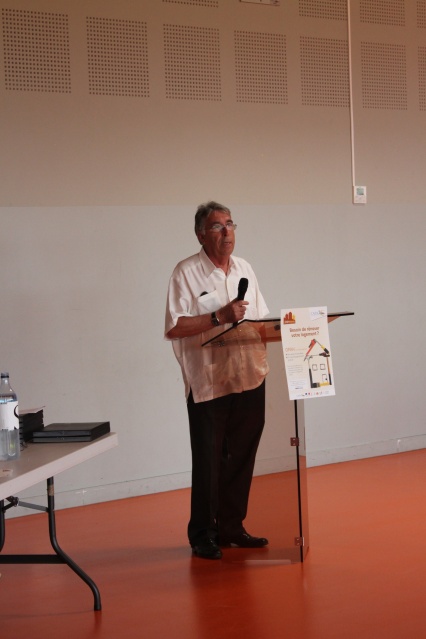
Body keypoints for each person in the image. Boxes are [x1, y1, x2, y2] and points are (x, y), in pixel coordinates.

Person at [164, 201, 270, 560]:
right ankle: (202, 534)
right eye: (216, 226)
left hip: (249, 375)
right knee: (209, 460)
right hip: (209, 381)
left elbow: (260, 320)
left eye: (230, 224)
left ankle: (232, 527)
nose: (226, 232)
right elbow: (175, 327)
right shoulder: (185, 273)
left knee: (241, 456)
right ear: (200, 235)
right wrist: (217, 317)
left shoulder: (245, 268)